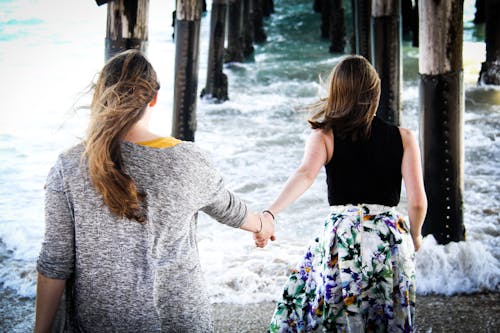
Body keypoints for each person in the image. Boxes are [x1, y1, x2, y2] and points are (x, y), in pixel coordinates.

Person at [34, 49, 275, 333]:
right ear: (154, 98)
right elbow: (229, 209)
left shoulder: (70, 166)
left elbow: (55, 264)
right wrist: (263, 223)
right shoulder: (188, 160)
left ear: (101, 97)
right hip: (182, 320)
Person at [256, 55, 427, 332]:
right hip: (388, 237)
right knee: (387, 317)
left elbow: (305, 175)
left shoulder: (325, 136)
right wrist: (415, 235)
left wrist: (270, 212)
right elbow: (417, 202)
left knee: (330, 312)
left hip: (342, 236)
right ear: (376, 92)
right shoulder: (404, 137)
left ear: (336, 93)